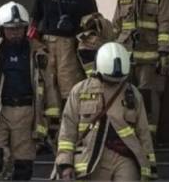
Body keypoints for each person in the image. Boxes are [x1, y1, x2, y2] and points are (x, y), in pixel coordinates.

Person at [0, 1, 58, 181]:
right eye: (10, 28)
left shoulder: (40, 53)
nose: (15, 32)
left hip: (27, 114)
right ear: (1, 29)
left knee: (23, 168)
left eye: (19, 28)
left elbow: (49, 87)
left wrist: (53, 120)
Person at [56, 42, 157, 181]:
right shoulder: (79, 91)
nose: (115, 83)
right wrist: (65, 164)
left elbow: (143, 132)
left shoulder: (133, 94)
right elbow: (67, 131)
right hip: (92, 156)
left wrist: (150, 167)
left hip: (126, 157)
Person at [30, 0, 98, 128]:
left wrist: (77, 30)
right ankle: (46, 134)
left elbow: (95, 25)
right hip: (47, 48)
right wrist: (36, 45)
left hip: (72, 49)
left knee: (71, 91)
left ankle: (71, 132)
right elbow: (33, 24)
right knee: (46, 91)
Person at [112, 0, 169, 139]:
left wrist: (164, 54)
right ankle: (127, 136)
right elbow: (116, 26)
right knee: (125, 97)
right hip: (126, 58)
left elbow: (167, 26)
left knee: (148, 98)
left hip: (150, 59)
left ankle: (148, 137)